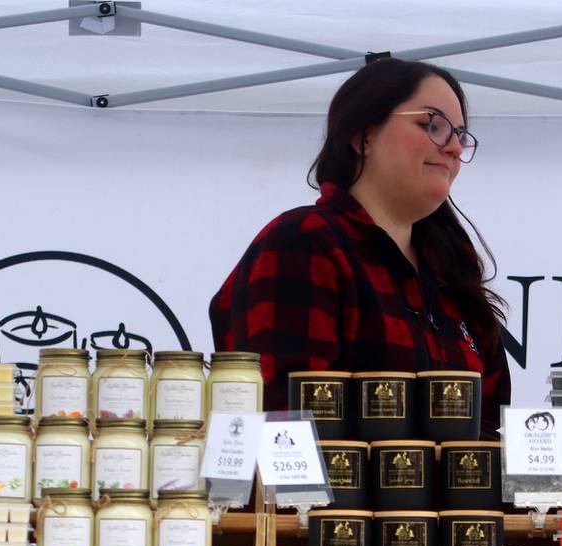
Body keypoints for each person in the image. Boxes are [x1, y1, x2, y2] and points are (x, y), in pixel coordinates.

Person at [209, 57, 512, 435]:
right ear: (362, 135)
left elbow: (489, 428)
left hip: (457, 497)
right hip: (333, 495)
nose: (452, 146)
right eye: (432, 125)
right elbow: (284, 423)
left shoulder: (451, 272)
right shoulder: (305, 242)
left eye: (460, 135)